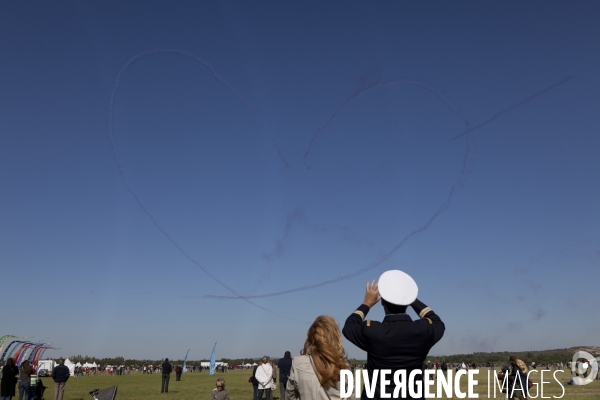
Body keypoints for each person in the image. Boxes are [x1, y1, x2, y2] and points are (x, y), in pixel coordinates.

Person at [342, 270, 445, 400]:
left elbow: (349, 326)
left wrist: (366, 303)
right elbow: (438, 322)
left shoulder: (373, 331)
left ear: (382, 302)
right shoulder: (423, 330)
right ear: (407, 302)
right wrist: (410, 298)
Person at [286, 315, 355, 400]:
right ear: (335, 337)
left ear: (311, 336)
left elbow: (290, 395)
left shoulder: (298, 362)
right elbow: (353, 396)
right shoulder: (343, 365)